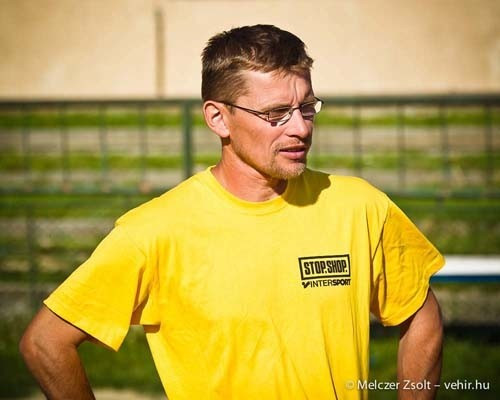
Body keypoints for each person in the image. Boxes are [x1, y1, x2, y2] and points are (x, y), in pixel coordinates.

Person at [20, 24, 444, 400]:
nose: (300, 128)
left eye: (307, 107)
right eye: (276, 113)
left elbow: (422, 318)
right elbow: (45, 342)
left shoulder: (360, 207)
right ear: (218, 119)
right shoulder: (154, 232)